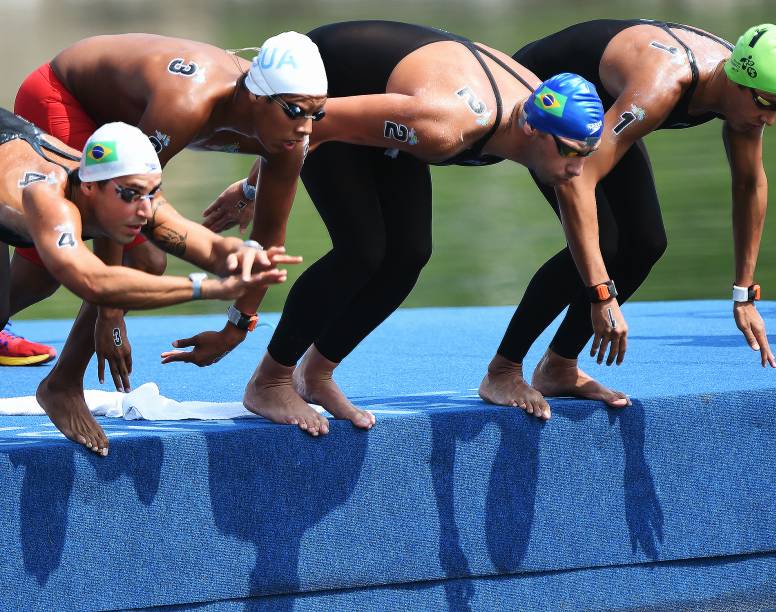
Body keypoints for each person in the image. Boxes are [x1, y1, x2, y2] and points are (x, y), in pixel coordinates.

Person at [196, 20, 605, 435]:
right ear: (532, 130)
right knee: (362, 251)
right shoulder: (441, 126)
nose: (578, 168)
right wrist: (251, 188)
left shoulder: (544, 121)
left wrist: (601, 295)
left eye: (588, 153)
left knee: (409, 254)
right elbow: (309, 125)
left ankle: (315, 375)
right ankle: (270, 380)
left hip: (394, 96)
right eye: (572, 153)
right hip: (332, 81)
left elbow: (579, 209)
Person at [476, 21, 776, 413]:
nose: (769, 119)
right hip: (548, 94)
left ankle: (559, 366)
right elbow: (578, 183)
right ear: (736, 81)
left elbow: (750, 185)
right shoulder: (661, 86)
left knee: (646, 243)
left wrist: (744, 293)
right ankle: (503, 369)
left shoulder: (744, 102)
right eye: (766, 105)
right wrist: (601, 293)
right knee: (607, 243)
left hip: (605, 107)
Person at [9, 30, 326, 394]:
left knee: (116, 262)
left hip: (123, 131)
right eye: (295, 111)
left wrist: (235, 329)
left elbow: (268, 240)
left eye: (318, 113)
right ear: (255, 96)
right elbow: (117, 194)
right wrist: (109, 315)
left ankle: (60, 384)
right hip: (65, 96)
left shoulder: (292, 137)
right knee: (78, 267)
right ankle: (62, 386)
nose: (305, 127)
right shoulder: (186, 104)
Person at [0, 112, 301, 455]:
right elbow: (93, 282)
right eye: (131, 195)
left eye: (151, 194)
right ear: (88, 187)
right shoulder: (49, 198)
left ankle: (61, 385)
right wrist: (206, 288)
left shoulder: (132, 193)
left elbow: (210, 247)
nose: (144, 210)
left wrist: (242, 254)